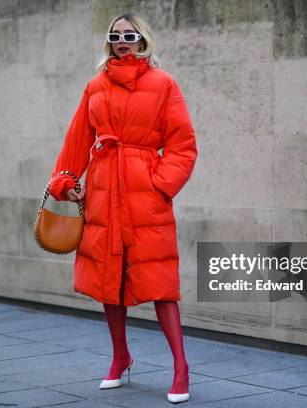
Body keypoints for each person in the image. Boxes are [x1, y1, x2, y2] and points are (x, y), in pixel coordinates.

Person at [48, 12, 197, 404]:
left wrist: (159, 185)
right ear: (109, 42)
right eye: (116, 36)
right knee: (108, 280)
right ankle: (120, 357)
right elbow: (78, 139)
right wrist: (65, 181)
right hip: (103, 191)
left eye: (131, 35)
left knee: (161, 281)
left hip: (145, 196)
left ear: (143, 40)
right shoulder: (95, 86)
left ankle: (180, 367)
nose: (123, 41)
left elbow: (183, 146)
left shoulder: (163, 84)